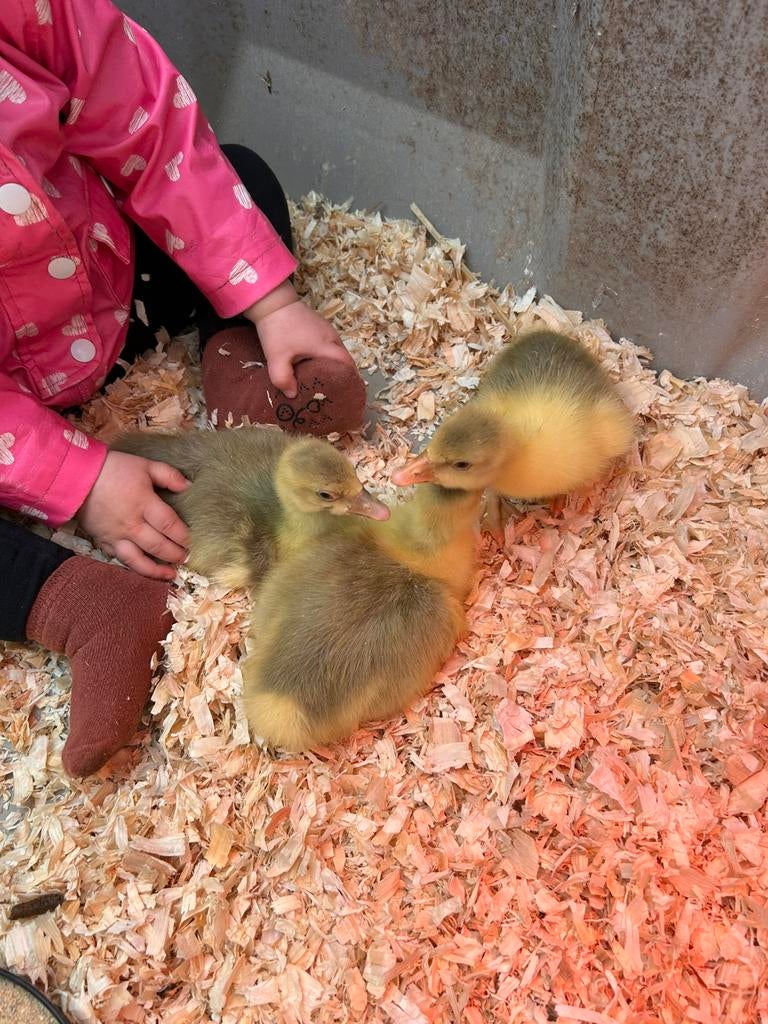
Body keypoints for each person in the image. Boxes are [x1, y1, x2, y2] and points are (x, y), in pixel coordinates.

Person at [0, 0, 367, 776]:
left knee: (242, 173)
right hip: (12, 422)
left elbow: (147, 120)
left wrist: (272, 302)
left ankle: (244, 364)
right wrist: (79, 478)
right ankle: (77, 602)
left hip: (112, 288)